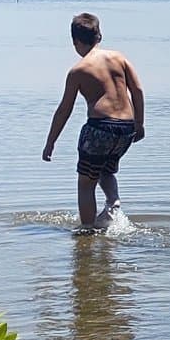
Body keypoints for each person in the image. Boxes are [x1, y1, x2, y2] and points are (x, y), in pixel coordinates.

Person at [42, 12, 146, 230]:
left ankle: (87, 232)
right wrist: (139, 123)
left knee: (85, 184)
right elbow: (137, 90)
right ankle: (113, 201)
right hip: (125, 128)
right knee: (106, 170)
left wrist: (51, 142)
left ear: (75, 42)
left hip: (100, 128)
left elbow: (64, 110)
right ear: (99, 36)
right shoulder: (120, 58)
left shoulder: (78, 71)